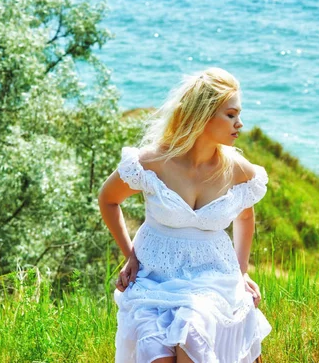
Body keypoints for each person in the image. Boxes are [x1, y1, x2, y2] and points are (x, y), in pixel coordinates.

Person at [98, 67, 271, 363]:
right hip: (155, 276)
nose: (239, 124)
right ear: (203, 114)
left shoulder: (238, 169)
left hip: (212, 277)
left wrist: (241, 272)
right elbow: (108, 200)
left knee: (192, 336)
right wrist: (130, 255)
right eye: (230, 115)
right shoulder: (154, 161)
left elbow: (245, 217)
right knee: (154, 352)